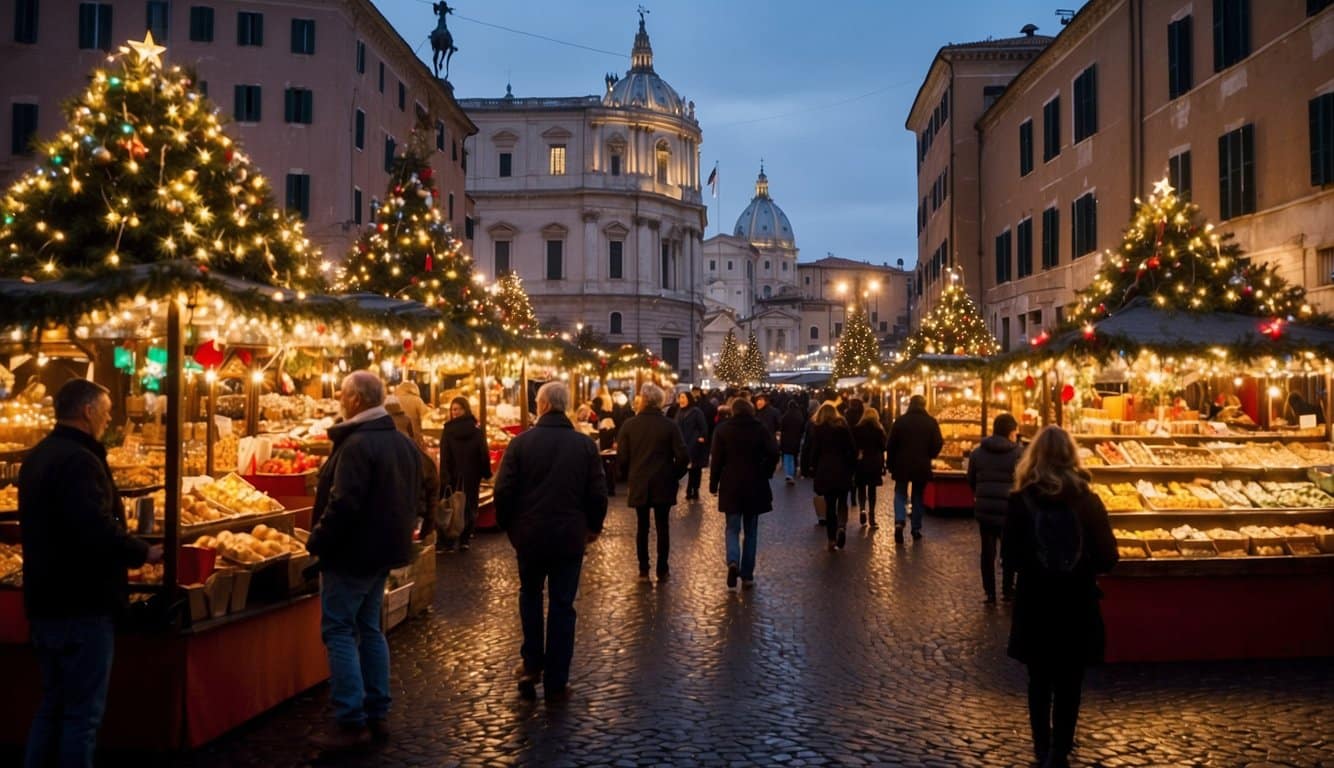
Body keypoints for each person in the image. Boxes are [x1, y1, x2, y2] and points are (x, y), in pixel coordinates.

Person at [20, 379, 162, 768]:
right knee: (82, 715)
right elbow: (95, 527)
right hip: (81, 601)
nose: (109, 417)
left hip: (43, 598)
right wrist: (141, 551)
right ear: (87, 411)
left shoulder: (38, 456)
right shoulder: (80, 461)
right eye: (106, 409)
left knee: (53, 704)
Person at [307, 372, 422, 751]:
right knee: (370, 628)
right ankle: (378, 712)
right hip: (383, 552)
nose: (339, 399)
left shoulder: (357, 444)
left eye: (342, 394)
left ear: (356, 400)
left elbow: (344, 505)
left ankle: (351, 720)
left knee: (339, 630)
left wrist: (318, 540)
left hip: (351, 553)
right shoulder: (401, 443)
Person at [1003, 426, 1118, 768]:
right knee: (1070, 681)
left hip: (1036, 602)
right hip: (1076, 602)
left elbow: (1009, 558)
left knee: (1039, 680)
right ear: (1072, 456)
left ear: (1032, 456)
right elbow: (1108, 557)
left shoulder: (1020, 500)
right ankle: (1060, 750)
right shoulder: (1089, 500)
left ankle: (1041, 746)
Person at [494, 382, 607, 703]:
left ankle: (531, 663)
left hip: (528, 537)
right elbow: (598, 493)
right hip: (569, 538)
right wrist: (593, 527)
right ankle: (557, 679)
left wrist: (510, 527)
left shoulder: (520, 444)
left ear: (541, 406)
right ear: (566, 406)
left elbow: (503, 490)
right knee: (561, 605)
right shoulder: (584, 446)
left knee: (530, 596)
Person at [617, 383, 689, 582]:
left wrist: (629, 474)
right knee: (662, 527)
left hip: (639, 481)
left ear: (642, 400)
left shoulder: (629, 425)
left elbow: (621, 457)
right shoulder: (669, 425)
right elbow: (683, 456)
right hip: (663, 482)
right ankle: (662, 569)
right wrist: (673, 474)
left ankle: (643, 569)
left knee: (642, 527)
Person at [709, 397, 779, 589]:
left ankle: (732, 561)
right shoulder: (760, 428)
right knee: (751, 531)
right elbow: (774, 451)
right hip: (755, 482)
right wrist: (766, 471)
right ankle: (747, 575)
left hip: (731, 483)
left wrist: (713, 484)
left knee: (732, 528)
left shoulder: (722, 430)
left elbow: (716, 461)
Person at [967, 413, 1023, 604]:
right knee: (1009, 550)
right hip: (1009, 509)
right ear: (1010, 432)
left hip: (985, 508)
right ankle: (1007, 590)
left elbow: (971, 479)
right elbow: (1023, 480)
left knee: (987, 551)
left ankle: (989, 592)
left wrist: (980, 493)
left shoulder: (977, 453)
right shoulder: (1018, 454)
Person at [887, 394, 943, 543]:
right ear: (924, 405)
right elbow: (938, 443)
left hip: (902, 465)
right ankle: (916, 528)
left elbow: (891, 445)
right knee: (918, 495)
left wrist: (890, 464)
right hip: (921, 464)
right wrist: (929, 455)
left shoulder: (900, 421)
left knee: (900, 493)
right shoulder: (930, 422)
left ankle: (899, 521)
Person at [801, 403, 857, 550]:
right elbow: (852, 450)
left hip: (825, 471)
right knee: (843, 502)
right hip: (843, 469)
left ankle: (831, 539)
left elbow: (814, 452)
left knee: (830, 505)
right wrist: (852, 468)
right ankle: (842, 527)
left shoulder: (817, 430)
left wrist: (811, 468)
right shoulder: (843, 429)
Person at [440, 396, 492, 552]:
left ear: (464, 409)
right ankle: (465, 539)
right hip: (472, 474)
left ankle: (450, 540)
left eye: (457, 409)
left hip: (453, 473)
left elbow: (445, 454)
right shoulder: (476, 430)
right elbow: (483, 452)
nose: (454, 412)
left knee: (452, 505)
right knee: (469, 504)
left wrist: (444, 474)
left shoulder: (448, 430)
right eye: (453, 409)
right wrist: (486, 472)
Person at [387, 398, 442, 543]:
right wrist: (427, 528)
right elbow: (433, 487)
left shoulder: (374, 450)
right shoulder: (417, 454)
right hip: (412, 517)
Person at [852, 408, 888, 529]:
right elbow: (884, 446)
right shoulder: (879, 430)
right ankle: (872, 516)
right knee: (872, 489)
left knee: (861, 487)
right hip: (874, 462)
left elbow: (853, 446)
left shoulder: (857, 429)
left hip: (861, 461)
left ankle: (862, 509)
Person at [674, 391, 710, 500]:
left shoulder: (696, 411)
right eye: (680, 397)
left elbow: (703, 426)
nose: (681, 400)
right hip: (682, 444)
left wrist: (701, 437)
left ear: (689, 399)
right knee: (686, 467)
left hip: (694, 444)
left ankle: (694, 490)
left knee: (695, 468)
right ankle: (689, 489)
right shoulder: (679, 412)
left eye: (683, 397)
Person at [779, 400, 806, 485]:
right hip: (796, 439)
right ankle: (793, 471)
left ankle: (789, 474)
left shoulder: (785, 416)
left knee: (787, 456)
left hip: (786, 440)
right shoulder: (799, 416)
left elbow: (782, 427)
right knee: (794, 455)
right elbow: (802, 428)